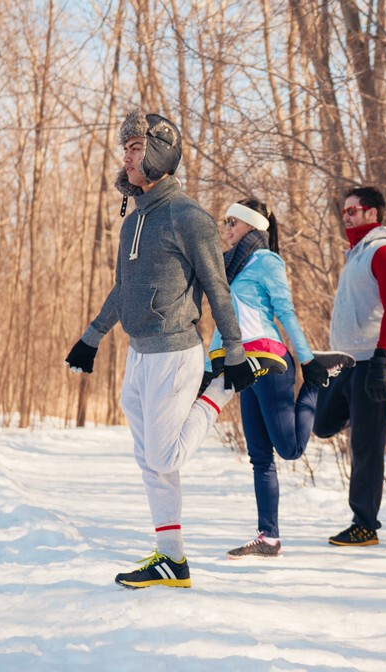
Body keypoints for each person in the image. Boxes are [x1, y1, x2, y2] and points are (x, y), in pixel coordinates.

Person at [64, 111, 267, 589]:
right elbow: (124, 288)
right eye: (126, 149)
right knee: (148, 458)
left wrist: (233, 352)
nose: (128, 157)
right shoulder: (134, 220)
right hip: (140, 351)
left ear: (158, 152)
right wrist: (92, 336)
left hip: (177, 350)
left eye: (136, 148)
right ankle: (171, 559)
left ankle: (218, 393)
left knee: (165, 457)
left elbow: (218, 288)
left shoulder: (189, 217)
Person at [207, 198, 354, 559]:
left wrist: (307, 362)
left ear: (251, 226)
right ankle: (268, 538)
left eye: (232, 222)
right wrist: (212, 365)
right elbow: (224, 321)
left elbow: (285, 312)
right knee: (259, 456)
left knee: (290, 449)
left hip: (271, 361)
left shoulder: (267, 261)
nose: (226, 228)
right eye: (225, 222)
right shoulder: (229, 268)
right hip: (243, 367)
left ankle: (319, 383)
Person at [312, 186, 386, 546]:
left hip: (372, 364)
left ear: (372, 214)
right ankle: (361, 414)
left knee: (366, 448)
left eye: (354, 211)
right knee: (321, 425)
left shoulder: (384, 252)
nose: (346, 217)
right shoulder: (356, 253)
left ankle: (365, 524)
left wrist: (384, 357)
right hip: (345, 362)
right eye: (344, 212)